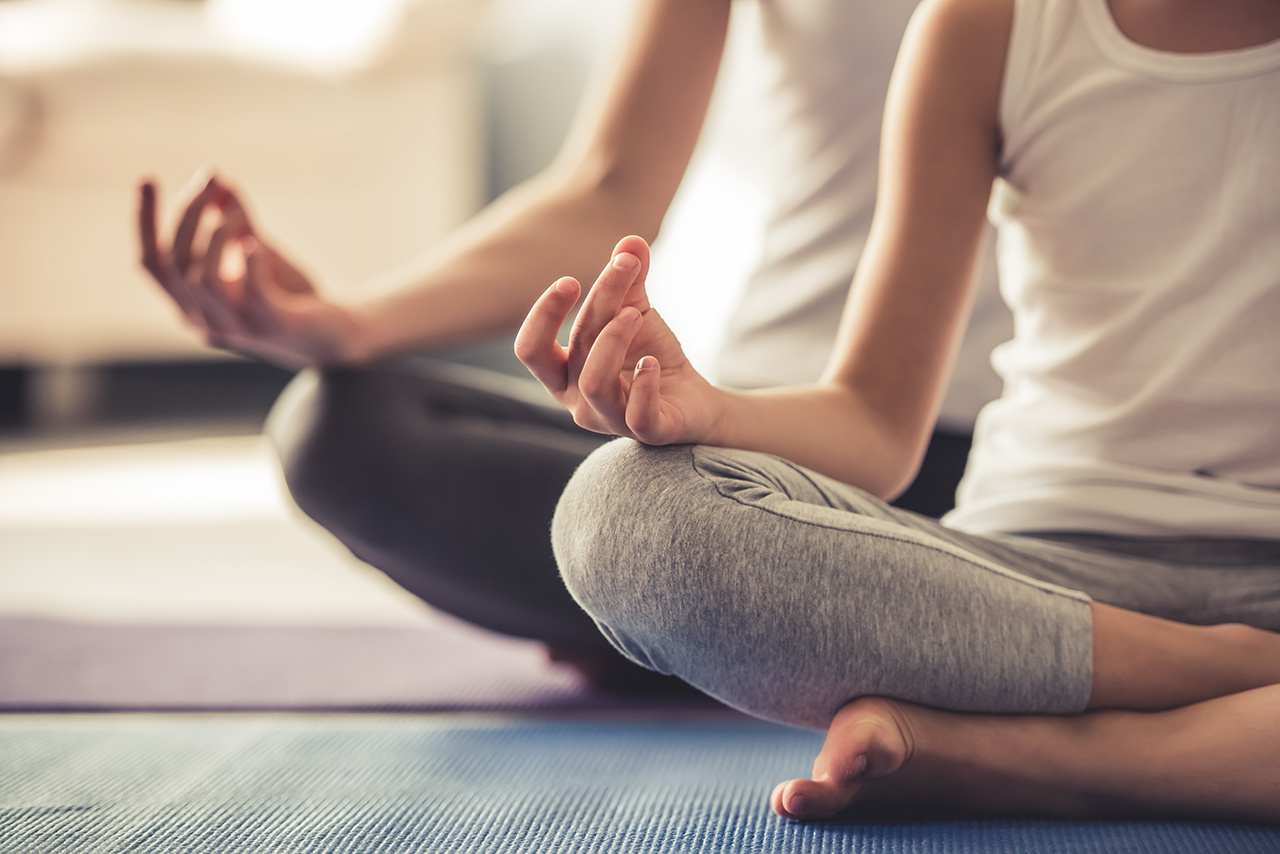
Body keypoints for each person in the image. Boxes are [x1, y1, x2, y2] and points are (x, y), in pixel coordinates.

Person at [515, 0, 1280, 822]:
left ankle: (1036, 757)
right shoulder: (987, 27)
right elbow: (875, 424)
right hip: (1025, 581)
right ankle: (1231, 680)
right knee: (625, 513)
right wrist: (708, 409)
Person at [137, 0, 1010, 689]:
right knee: (342, 429)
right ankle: (726, 635)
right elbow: (611, 185)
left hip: (988, 466)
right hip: (747, 438)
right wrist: (347, 323)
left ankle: (702, 639)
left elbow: (879, 430)